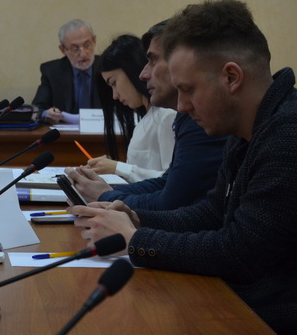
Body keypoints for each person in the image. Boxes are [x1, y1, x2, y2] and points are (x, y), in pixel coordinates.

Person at [69, 0, 297, 335]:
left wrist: (135, 240)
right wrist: (137, 218)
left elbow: (240, 252)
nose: (182, 106)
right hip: (255, 318)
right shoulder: (249, 126)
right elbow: (213, 212)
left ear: (231, 77)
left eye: (188, 89)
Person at [64, 21, 226, 210]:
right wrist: (106, 193)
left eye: (114, 83)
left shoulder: (169, 114)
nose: (115, 95)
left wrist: (113, 181)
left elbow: (172, 190)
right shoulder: (154, 116)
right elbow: (168, 181)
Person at [85, 34, 175, 183]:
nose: (114, 95)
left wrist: (118, 168)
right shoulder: (148, 118)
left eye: (114, 83)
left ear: (131, 70)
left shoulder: (166, 115)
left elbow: (173, 180)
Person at [32, 19, 102, 125]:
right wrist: (46, 114)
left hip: (102, 131)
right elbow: (37, 108)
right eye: (75, 49)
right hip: (65, 132)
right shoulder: (52, 71)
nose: (83, 54)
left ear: (94, 41)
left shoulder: (108, 68)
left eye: (87, 45)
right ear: (63, 50)